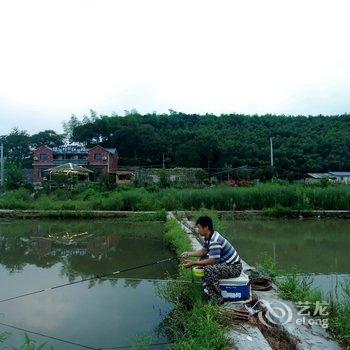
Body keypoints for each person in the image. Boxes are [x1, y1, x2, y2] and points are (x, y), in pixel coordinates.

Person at [181, 215, 242, 305]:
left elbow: (212, 261)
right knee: (203, 258)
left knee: (209, 269)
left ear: (206, 228)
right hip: (227, 264)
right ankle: (208, 286)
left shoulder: (215, 240)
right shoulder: (209, 236)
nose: (197, 230)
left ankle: (217, 299)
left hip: (234, 267)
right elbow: (203, 251)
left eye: (199, 228)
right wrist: (189, 253)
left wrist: (193, 263)